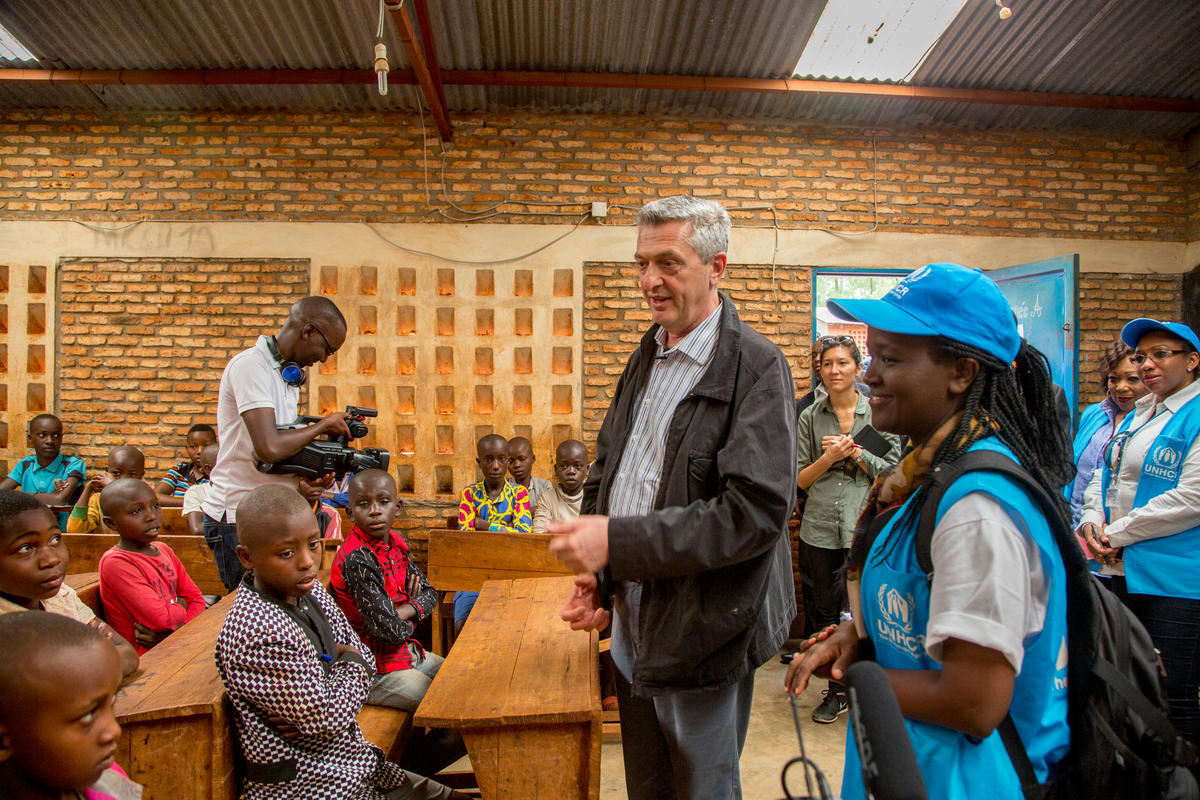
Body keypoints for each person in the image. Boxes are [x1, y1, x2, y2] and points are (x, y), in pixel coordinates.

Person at [783, 263, 1075, 800]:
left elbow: (972, 701)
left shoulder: (978, 509)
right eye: (870, 356)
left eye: (889, 359)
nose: (869, 375)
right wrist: (860, 635)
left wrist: (862, 675)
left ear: (961, 372)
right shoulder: (922, 478)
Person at [548, 196, 797, 800]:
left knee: (700, 783)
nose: (649, 281)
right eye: (641, 263)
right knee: (651, 781)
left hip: (705, 625)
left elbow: (752, 516)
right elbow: (612, 469)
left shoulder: (754, 367)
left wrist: (618, 543)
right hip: (637, 616)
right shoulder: (649, 353)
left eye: (668, 263)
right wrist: (602, 575)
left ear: (718, 267)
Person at [214, 485, 465, 800]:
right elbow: (328, 716)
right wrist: (346, 663)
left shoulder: (307, 590)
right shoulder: (257, 631)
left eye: (314, 544)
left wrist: (342, 664)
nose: (308, 562)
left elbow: (357, 651)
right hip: (316, 786)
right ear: (246, 557)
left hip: (355, 764)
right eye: (287, 553)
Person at [1079, 317, 1200, 751]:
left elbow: (1192, 497)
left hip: (1177, 582)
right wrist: (1090, 521)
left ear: (1192, 361)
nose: (1147, 364)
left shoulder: (1196, 413)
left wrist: (1117, 533)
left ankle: (1182, 783)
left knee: (1176, 695)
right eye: (1141, 356)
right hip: (1121, 570)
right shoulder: (1142, 412)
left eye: (1160, 354)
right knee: (1129, 689)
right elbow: (1102, 474)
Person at [201, 296, 351, 591]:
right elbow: (268, 447)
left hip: (267, 514)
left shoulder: (286, 375)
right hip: (238, 517)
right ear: (308, 331)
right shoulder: (251, 367)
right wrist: (322, 425)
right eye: (328, 349)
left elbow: (279, 451)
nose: (323, 359)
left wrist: (301, 482)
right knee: (254, 622)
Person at [795, 334, 900, 723]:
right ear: (819, 369)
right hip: (819, 527)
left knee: (864, 611)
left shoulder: (877, 412)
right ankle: (835, 691)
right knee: (824, 611)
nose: (834, 370)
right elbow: (800, 479)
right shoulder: (810, 416)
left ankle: (869, 687)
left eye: (843, 363)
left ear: (858, 368)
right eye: (827, 364)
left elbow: (892, 471)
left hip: (864, 528)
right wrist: (830, 457)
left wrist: (854, 451)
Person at [0, 612, 142, 799]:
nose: (114, 730)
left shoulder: (106, 785)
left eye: (112, 703)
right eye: (87, 716)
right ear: (3, 741)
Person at [331, 470, 439, 711]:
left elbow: (431, 593)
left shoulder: (395, 545)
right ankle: (425, 749)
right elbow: (391, 633)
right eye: (363, 504)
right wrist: (411, 613)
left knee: (458, 680)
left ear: (397, 507)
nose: (374, 510)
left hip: (404, 652)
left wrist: (406, 610)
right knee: (442, 702)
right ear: (350, 513)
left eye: (383, 501)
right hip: (373, 666)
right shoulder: (358, 559)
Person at [0, 490, 139, 676]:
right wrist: (93, 657)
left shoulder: (61, 596)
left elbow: (127, 654)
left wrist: (70, 669)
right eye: (26, 548)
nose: (51, 559)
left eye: (55, 539)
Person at [97, 479, 205, 655]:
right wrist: (182, 603)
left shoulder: (163, 549)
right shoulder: (116, 562)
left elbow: (197, 600)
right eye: (136, 511)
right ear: (112, 524)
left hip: (173, 645)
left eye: (155, 506)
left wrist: (177, 631)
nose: (151, 516)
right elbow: (160, 620)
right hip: (143, 659)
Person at [454, 434, 532, 632]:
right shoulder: (469, 494)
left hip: (512, 572)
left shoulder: (519, 494)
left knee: (513, 627)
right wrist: (505, 529)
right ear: (479, 462)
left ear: (507, 461)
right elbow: (466, 537)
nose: (495, 466)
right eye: (489, 459)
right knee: (463, 626)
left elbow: (524, 535)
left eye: (500, 459)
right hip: (475, 571)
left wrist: (486, 526)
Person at [1067, 341, 1147, 528]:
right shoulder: (1094, 414)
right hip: (1073, 523)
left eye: (1132, 379)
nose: (1120, 387)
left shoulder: (1153, 421)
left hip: (1114, 531)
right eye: (1114, 379)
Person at [0, 414, 86, 529]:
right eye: (42, 435)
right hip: (29, 531)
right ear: (30, 439)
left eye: (55, 435)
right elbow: (1, 493)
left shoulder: (73, 464)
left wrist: (18, 496)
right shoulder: (25, 465)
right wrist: (49, 496)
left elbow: (60, 500)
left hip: (63, 534)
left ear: (61, 438)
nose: (49, 441)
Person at [66, 445, 146, 533]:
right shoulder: (98, 500)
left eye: (132, 475)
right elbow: (75, 530)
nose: (123, 480)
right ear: (107, 471)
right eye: (116, 473)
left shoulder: (148, 499)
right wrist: (89, 488)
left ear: (141, 475)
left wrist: (113, 485)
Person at [531, 439, 589, 533]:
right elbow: (539, 535)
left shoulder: (594, 497)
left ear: (587, 469)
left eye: (577, 466)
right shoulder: (548, 498)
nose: (571, 471)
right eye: (564, 466)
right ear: (556, 469)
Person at [156, 423, 217, 508]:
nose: (199, 451)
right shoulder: (180, 470)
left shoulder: (221, 474)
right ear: (187, 449)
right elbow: (156, 497)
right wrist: (191, 502)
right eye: (193, 446)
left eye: (206, 446)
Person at [182, 443, 219, 536]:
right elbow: (197, 529)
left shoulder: (240, 488)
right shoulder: (197, 492)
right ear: (209, 468)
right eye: (224, 463)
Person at [507, 436, 552, 508]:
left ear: (533, 459)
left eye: (521, 459)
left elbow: (548, 510)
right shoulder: (504, 487)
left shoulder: (544, 486)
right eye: (511, 461)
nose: (516, 465)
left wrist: (517, 512)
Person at [299, 474, 342, 540]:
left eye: (322, 478)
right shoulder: (283, 511)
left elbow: (332, 549)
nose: (317, 483)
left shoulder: (330, 513)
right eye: (311, 479)